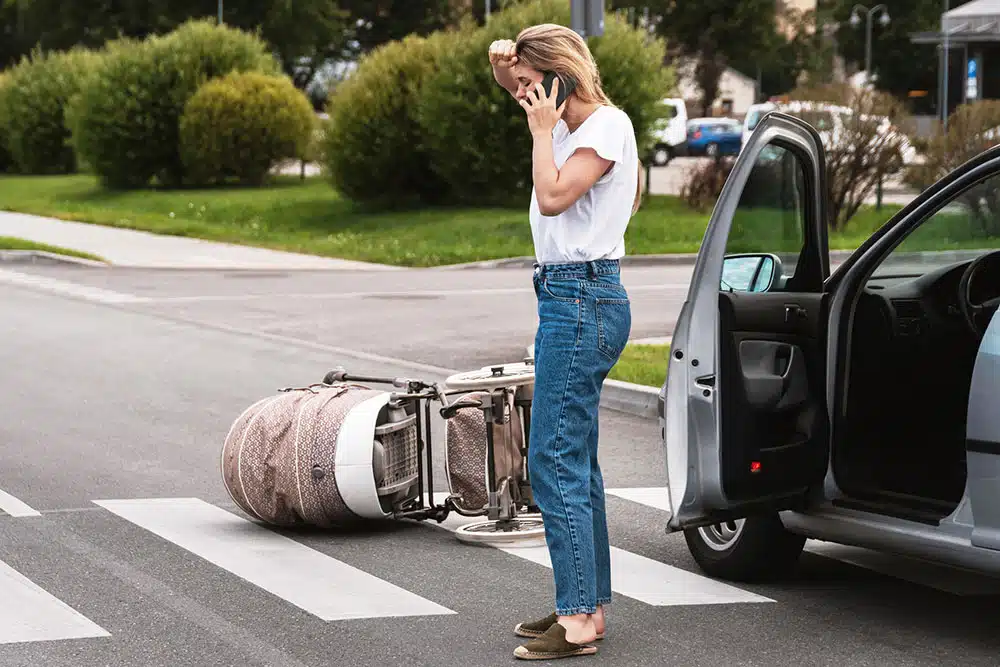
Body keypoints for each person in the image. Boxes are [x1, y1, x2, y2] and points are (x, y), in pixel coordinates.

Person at [488, 23, 641, 661]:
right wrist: (505, 66)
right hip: (571, 298)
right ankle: (589, 606)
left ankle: (577, 619)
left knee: (553, 458)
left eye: (531, 85)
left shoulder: (602, 128)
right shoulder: (575, 128)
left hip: (581, 300)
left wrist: (538, 129)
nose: (522, 97)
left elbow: (552, 198)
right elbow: (520, 86)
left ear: (560, 78)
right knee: (578, 459)